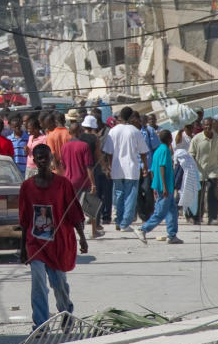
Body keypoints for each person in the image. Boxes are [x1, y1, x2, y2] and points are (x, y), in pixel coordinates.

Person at [18, 144, 88, 330]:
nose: (42, 161)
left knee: (59, 285)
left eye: (45, 157)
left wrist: (82, 237)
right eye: (38, 158)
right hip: (35, 243)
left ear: (51, 159)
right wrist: (22, 247)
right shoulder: (26, 187)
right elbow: (24, 219)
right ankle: (41, 324)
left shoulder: (63, 184)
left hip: (58, 243)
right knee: (38, 284)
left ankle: (65, 314)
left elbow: (74, 213)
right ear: (34, 159)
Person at [101, 107, 149, 233]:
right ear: (132, 117)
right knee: (130, 197)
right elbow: (143, 152)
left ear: (121, 116)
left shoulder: (113, 131)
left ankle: (119, 220)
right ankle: (125, 223)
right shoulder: (135, 131)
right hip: (131, 168)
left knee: (119, 195)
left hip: (117, 168)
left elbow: (109, 152)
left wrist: (110, 166)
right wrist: (145, 166)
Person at [136, 130, 183, 245]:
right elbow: (162, 167)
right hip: (165, 187)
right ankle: (143, 229)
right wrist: (164, 186)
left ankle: (172, 235)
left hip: (164, 186)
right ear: (170, 140)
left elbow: (152, 170)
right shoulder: (164, 150)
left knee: (172, 211)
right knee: (160, 213)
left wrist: (155, 187)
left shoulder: (157, 150)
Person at [60, 121, 98, 236]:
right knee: (91, 206)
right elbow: (89, 167)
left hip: (68, 180)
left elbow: (63, 165)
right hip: (83, 181)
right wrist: (93, 184)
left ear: (70, 132)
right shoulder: (84, 146)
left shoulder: (64, 146)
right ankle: (94, 232)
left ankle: (68, 231)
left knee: (69, 207)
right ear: (79, 132)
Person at [188, 118, 218, 226]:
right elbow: (191, 154)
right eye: (205, 125)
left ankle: (212, 217)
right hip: (199, 171)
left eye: (209, 125)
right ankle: (196, 217)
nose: (207, 127)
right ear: (202, 126)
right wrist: (192, 168)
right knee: (199, 195)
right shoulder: (196, 139)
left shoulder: (216, 138)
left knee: (213, 192)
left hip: (212, 170)